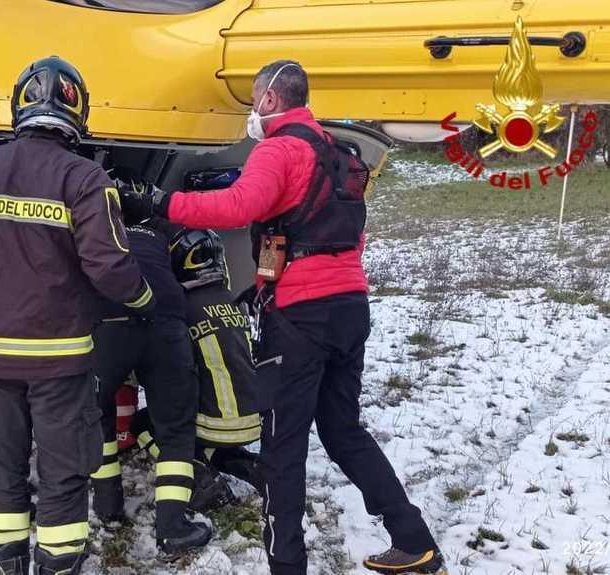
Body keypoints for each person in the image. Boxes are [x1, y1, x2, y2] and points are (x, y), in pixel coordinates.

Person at [118, 60, 445, 575]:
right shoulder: (339, 154)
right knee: (343, 431)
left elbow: (236, 206)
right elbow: (338, 234)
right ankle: (414, 541)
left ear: (270, 99)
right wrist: (267, 284)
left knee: (283, 448)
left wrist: (161, 202)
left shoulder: (278, 148)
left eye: (254, 100)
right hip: (350, 306)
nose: (253, 109)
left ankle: (287, 564)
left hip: (301, 321)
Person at [0, 56, 155, 575]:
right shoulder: (85, 178)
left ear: (20, 108)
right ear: (77, 112)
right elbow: (110, 268)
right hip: (60, 362)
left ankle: (5, 558)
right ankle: (59, 563)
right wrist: (144, 301)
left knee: (3, 466)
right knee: (64, 470)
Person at [90, 187, 212, 558]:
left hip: (109, 321)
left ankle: (108, 506)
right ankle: (173, 528)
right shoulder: (159, 233)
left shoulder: (97, 230)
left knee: (96, 413)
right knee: (175, 427)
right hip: (166, 321)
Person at [168, 229, 263, 495]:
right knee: (212, 444)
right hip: (252, 416)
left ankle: (200, 477)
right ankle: (250, 467)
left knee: (145, 425)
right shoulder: (234, 300)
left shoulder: (183, 306)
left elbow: (177, 370)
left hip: (216, 423)